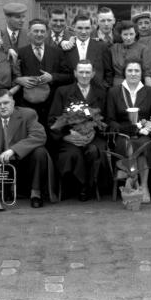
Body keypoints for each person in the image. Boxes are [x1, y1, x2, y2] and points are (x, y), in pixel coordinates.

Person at [0, 89, 55, 208]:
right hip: (3, 167)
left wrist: (13, 150)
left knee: (40, 152)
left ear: (13, 102)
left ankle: (35, 194)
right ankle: (5, 192)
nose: (2, 107)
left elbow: (39, 136)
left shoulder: (28, 114)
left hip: (24, 164)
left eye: (6, 103)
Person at [48, 60, 107, 201]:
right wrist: (66, 136)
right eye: (81, 72)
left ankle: (90, 186)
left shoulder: (102, 92)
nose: (84, 75)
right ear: (75, 73)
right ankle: (79, 186)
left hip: (94, 136)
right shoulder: (63, 92)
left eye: (88, 72)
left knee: (94, 151)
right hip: (70, 137)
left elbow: (107, 118)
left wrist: (93, 132)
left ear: (93, 74)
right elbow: (52, 119)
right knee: (73, 154)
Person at [106, 58, 151, 203]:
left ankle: (143, 185)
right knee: (128, 145)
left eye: (137, 70)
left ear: (142, 73)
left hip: (143, 134)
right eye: (130, 70)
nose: (133, 73)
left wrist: (147, 127)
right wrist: (121, 128)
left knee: (144, 145)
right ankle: (133, 184)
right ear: (124, 73)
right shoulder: (114, 92)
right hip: (122, 134)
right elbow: (110, 119)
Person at [16, 19, 72, 127]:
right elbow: (11, 74)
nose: (39, 34)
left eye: (42, 31)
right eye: (36, 31)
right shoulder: (20, 52)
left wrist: (52, 77)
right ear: (29, 33)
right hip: (27, 104)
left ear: (46, 33)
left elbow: (69, 76)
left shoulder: (57, 52)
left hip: (51, 104)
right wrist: (19, 80)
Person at [65, 15, 113, 90]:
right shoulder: (67, 47)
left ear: (91, 28)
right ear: (74, 27)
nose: (83, 32)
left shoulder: (102, 46)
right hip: (72, 93)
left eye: (87, 28)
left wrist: (104, 88)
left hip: (97, 94)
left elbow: (109, 72)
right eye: (80, 28)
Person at [111, 20, 151, 87]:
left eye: (131, 34)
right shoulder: (114, 48)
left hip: (136, 84)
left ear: (135, 33)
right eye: (125, 34)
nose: (128, 37)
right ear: (120, 35)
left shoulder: (143, 49)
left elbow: (147, 73)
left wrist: (149, 92)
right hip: (117, 85)